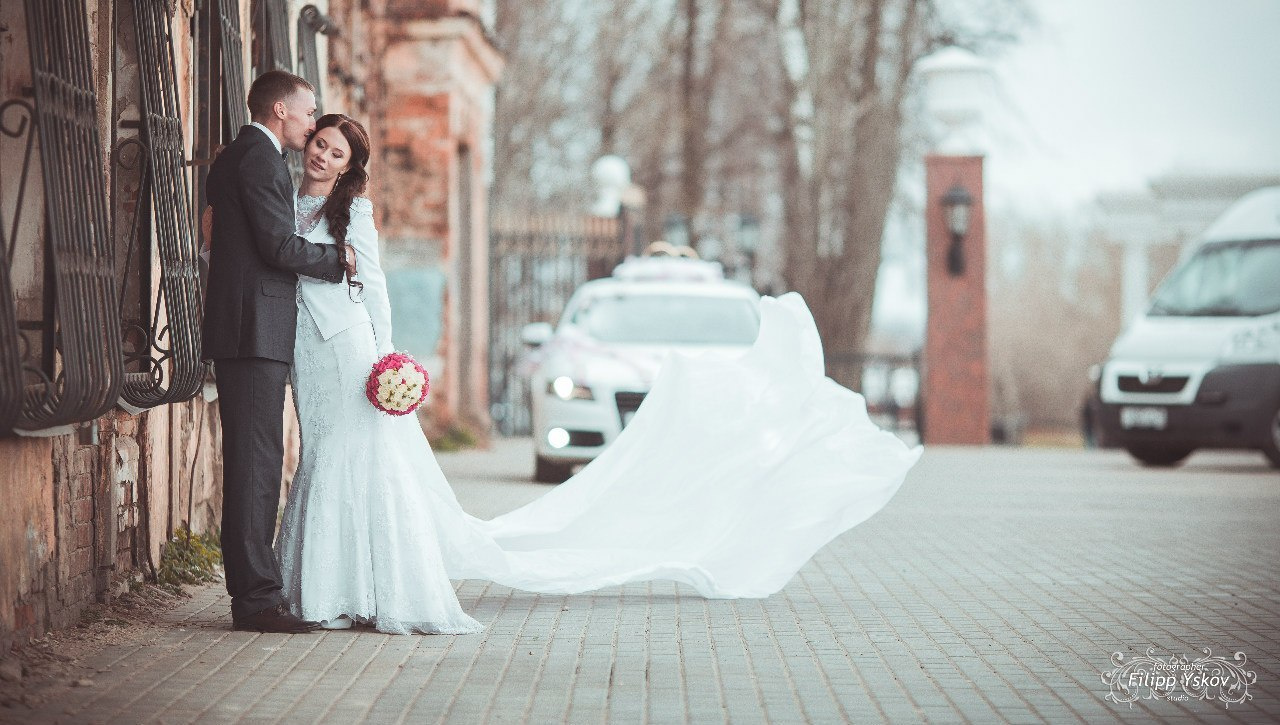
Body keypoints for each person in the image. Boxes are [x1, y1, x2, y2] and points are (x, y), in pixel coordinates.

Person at [265, 113, 922, 635]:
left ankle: (360, 591)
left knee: (355, 458)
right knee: (324, 454)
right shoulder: (286, 201)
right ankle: (327, 585)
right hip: (305, 351)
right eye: (319, 144)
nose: (322, 155)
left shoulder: (356, 215)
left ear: (350, 167)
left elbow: (375, 289)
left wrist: (387, 356)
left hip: (350, 350)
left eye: (336, 152)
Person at [201, 71, 357, 634]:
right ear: (280, 111)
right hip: (251, 329)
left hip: (252, 327)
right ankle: (256, 601)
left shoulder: (244, 155)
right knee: (256, 464)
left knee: (258, 459)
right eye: (309, 112)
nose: (313, 123)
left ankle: (257, 592)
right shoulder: (259, 159)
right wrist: (337, 260)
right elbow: (277, 246)